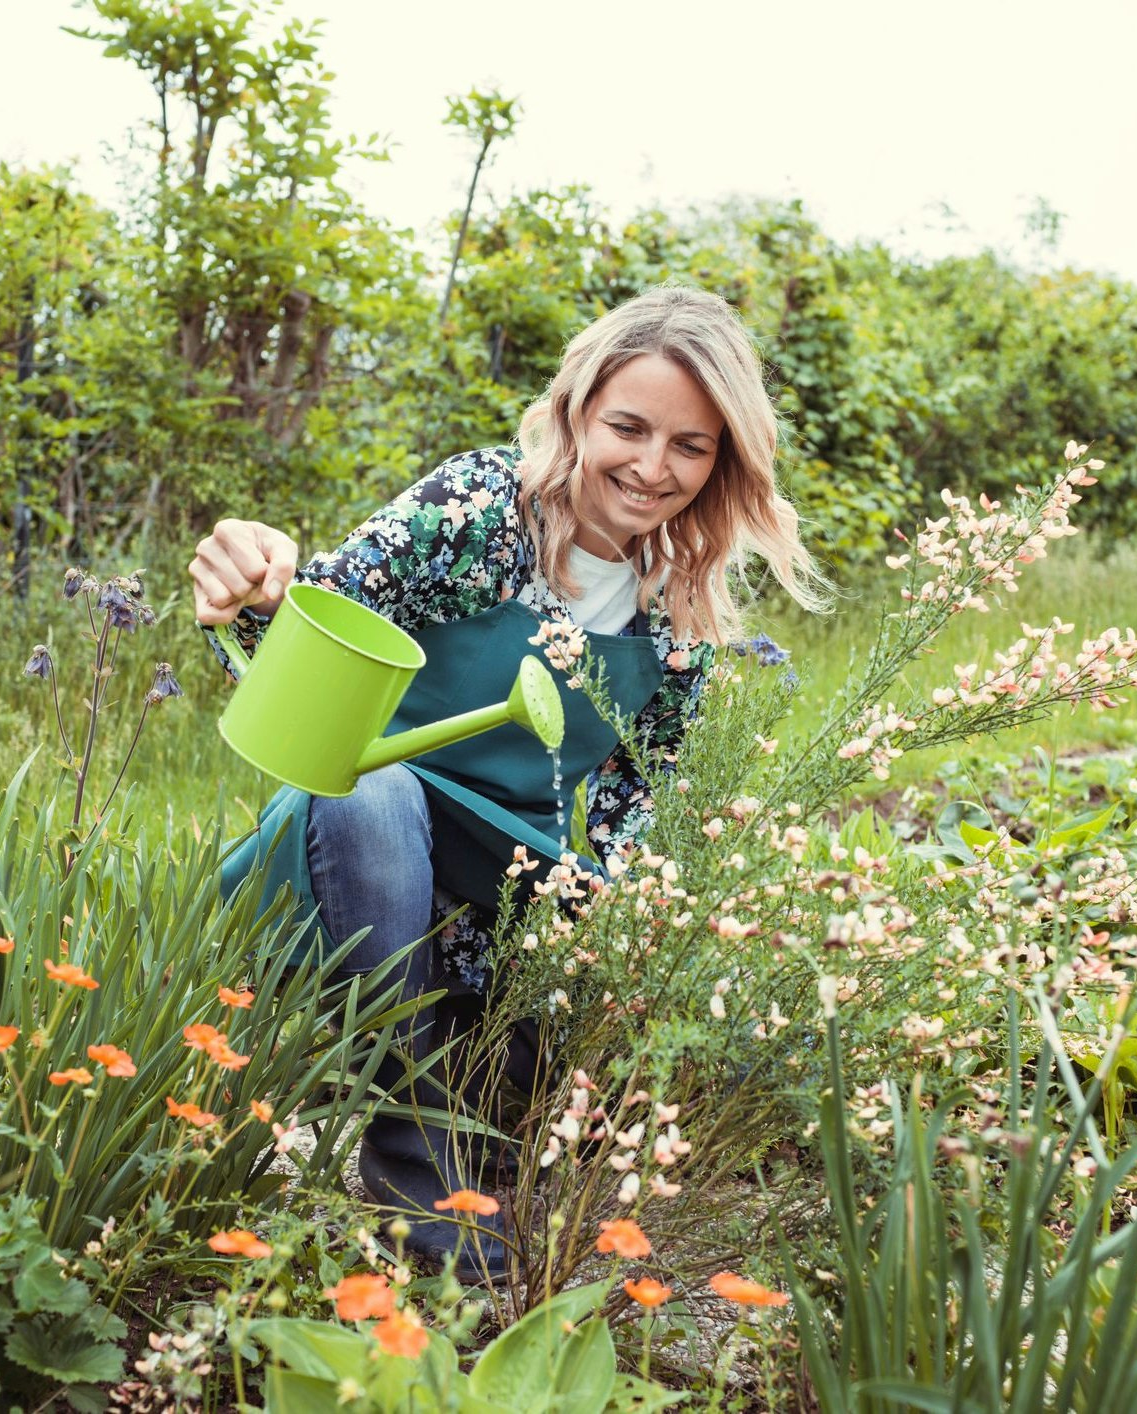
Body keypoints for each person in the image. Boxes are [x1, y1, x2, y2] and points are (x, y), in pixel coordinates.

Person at [188, 285, 828, 1276]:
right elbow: (303, 635)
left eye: (690, 446)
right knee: (378, 790)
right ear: (576, 409)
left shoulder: (678, 609)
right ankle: (417, 1160)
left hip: (501, 898)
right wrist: (249, 580)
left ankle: (488, 1103)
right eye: (628, 426)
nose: (652, 468)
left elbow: (637, 807)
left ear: (723, 461)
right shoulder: (478, 512)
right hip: (343, 856)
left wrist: (620, 952)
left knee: (597, 963)